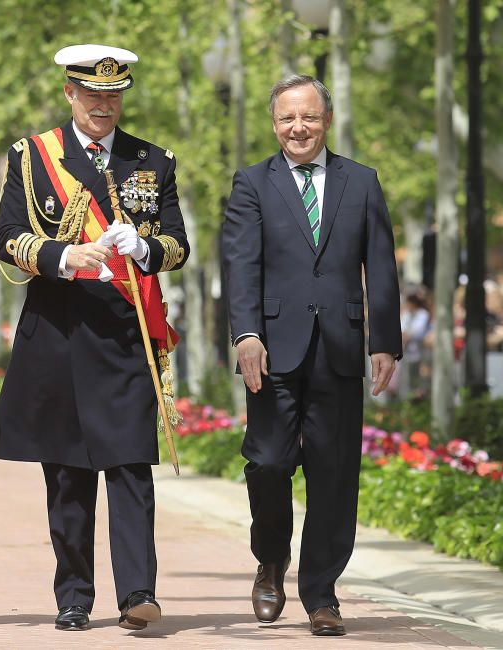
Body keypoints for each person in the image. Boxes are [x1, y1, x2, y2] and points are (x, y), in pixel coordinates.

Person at [0, 44, 189, 633]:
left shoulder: (153, 160)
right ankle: (74, 595)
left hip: (126, 337)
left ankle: (138, 594)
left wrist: (145, 248)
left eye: (114, 94)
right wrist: (65, 255)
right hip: (60, 332)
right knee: (68, 472)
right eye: (93, 94)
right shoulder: (32, 157)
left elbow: (176, 243)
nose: (104, 104)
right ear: (71, 93)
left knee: (131, 465)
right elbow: (8, 237)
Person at [221, 75, 401, 636]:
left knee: (334, 472)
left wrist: (385, 341)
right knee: (269, 461)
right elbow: (240, 265)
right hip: (271, 351)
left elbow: (383, 265)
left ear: (327, 119)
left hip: (343, 350)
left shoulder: (363, 182)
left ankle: (322, 593)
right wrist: (245, 333)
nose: (298, 128)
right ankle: (270, 559)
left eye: (309, 117)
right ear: (274, 123)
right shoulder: (252, 183)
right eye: (287, 119)